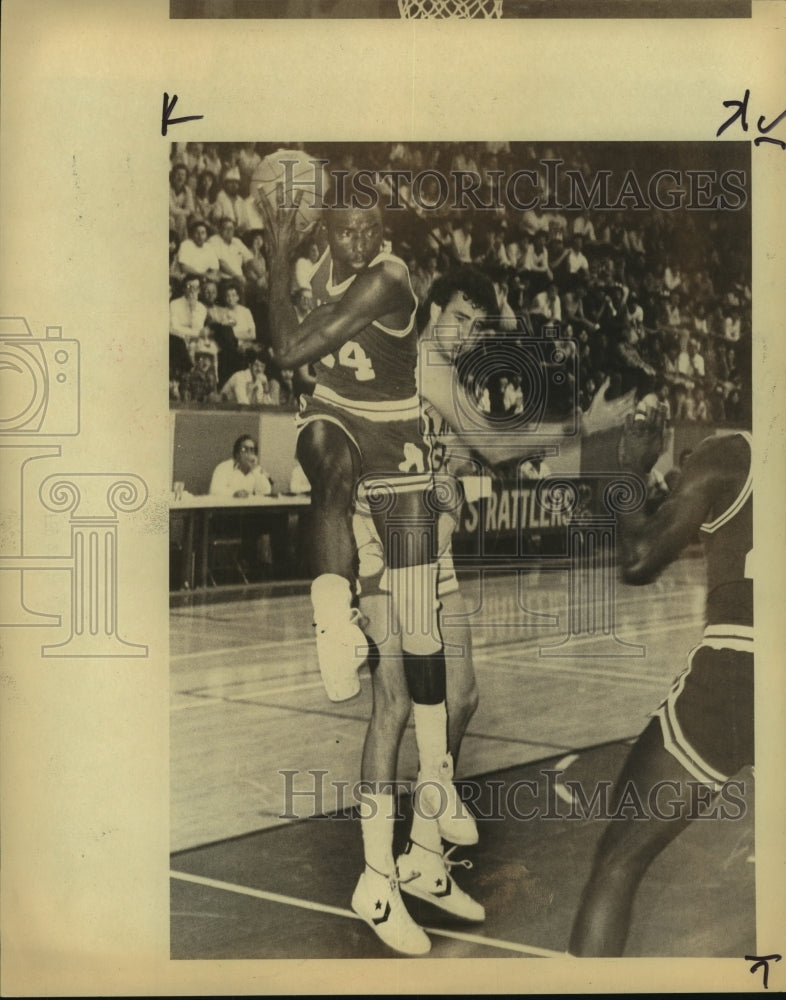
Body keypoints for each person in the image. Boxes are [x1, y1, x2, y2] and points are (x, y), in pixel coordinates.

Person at [261, 188, 479, 955]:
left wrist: (276, 249)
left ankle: (430, 814)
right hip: (340, 416)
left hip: (402, 455)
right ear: (326, 226)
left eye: (368, 229)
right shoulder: (321, 260)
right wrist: (279, 249)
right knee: (324, 463)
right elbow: (284, 346)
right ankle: (331, 622)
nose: (357, 240)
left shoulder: (387, 274)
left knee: (433, 662)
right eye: (344, 228)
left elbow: (287, 340)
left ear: (383, 235)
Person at [569, 411, 753, 957]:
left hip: (741, 667)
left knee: (619, 859)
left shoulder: (733, 453)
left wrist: (627, 469)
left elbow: (640, 559)